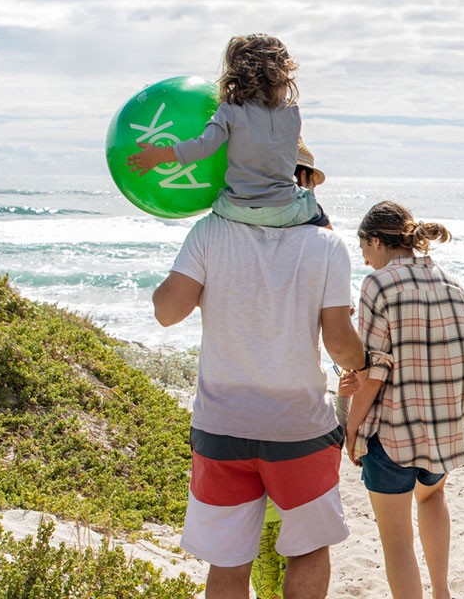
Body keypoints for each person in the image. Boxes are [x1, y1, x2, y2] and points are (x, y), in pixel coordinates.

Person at [152, 204, 370, 597]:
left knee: (229, 559)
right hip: (298, 427)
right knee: (308, 549)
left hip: (222, 424)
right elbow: (338, 344)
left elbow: (166, 313)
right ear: (303, 179)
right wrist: (364, 360)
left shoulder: (209, 232)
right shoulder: (326, 244)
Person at [339, 201, 464, 599]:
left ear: (376, 240)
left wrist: (351, 429)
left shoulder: (378, 285)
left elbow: (374, 371)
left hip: (391, 434)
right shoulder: (451, 284)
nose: (366, 261)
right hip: (444, 432)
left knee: (396, 542)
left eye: (364, 250)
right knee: (433, 497)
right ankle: (442, 593)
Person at [127, 33, 329, 227]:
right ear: (282, 73)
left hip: (240, 209)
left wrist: (159, 155)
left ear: (238, 72)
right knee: (312, 206)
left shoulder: (231, 109)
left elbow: (204, 146)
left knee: (217, 207)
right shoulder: (292, 111)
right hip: (286, 209)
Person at [248, 139, 331, 599]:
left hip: (239, 399)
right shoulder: (321, 236)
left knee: (260, 533)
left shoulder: (228, 227)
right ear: (303, 179)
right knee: (303, 536)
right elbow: (332, 322)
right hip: (299, 396)